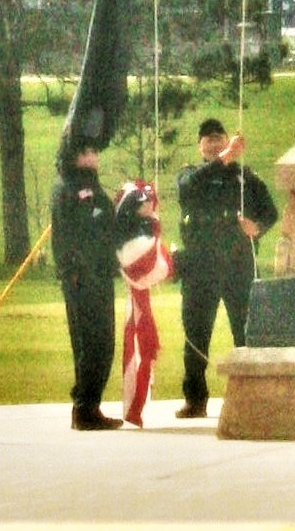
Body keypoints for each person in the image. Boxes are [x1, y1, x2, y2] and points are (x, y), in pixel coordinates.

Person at [175, 117, 278, 418]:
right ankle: (195, 399)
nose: (213, 143)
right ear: (200, 146)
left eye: (218, 138)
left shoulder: (244, 178)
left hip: (237, 263)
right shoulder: (191, 174)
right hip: (200, 265)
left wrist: (255, 227)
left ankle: (252, 396)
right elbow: (188, 190)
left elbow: (270, 212)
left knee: (245, 330)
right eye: (207, 139)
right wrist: (223, 159)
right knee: (196, 332)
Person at [50, 144, 123, 430]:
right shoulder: (67, 186)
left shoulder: (91, 186)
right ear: (76, 155)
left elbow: (103, 225)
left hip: (101, 273)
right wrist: (71, 270)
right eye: (89, 151)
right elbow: (65, 234)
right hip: (81, 277)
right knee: (89, 342)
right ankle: (84, 408)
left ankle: (89, 402)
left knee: (103, 342)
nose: (95, 156)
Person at [114, 180, 173, 427]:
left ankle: (137, 405)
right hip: (137, 299)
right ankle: (134, 404)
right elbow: (152, 267)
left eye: (150, 200)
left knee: (145, 346)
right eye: (142, 202)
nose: (149, 205)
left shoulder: (149, 229)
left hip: (142, 295)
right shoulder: (130, 240)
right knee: (139, 345)